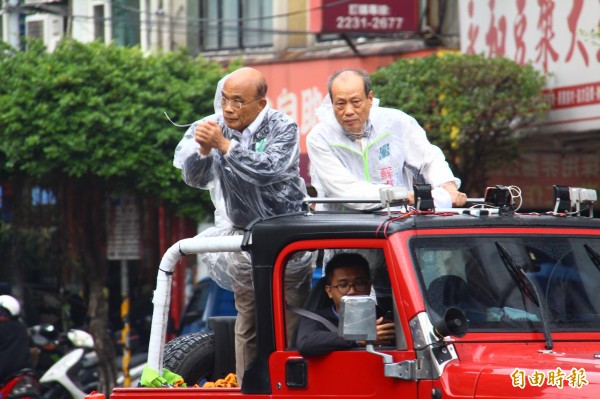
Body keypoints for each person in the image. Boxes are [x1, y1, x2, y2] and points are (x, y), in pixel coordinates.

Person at [173, 67, 313, 383]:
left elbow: (271, 169)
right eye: (225, 100)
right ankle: (244, 383)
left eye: (238, 101)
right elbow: (194, 178)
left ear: (260, 104)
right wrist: (203, 150)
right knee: (247, 315)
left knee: (293, 312)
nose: (228, 109)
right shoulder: (217, 126)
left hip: (287, 235)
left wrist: (225, 146)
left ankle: (294, 383)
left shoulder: (282, 126)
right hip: (243, 237)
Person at [306, 68, 468, 210]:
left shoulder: (397, 123)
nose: (348, 111)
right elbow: (344, 189)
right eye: (340, 104)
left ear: (370, 99)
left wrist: (448, 186)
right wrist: (402, 195)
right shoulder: (320, 138)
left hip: (394, 226)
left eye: (356, 102)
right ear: (332, 103)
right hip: (344, 234)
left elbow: (429, 158)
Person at [295, 253, 395, 356]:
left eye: (359, 283)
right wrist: (357, 338)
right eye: (343, 285)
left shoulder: (382, 318)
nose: (352, 291)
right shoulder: (316, 319)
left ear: (369, 287)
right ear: (329, 291)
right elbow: (305, 342)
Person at [0, 295, 32, 379]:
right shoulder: (22, 327)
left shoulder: (4, 328)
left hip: (5, 375)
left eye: (1, 313)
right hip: (24, 374)